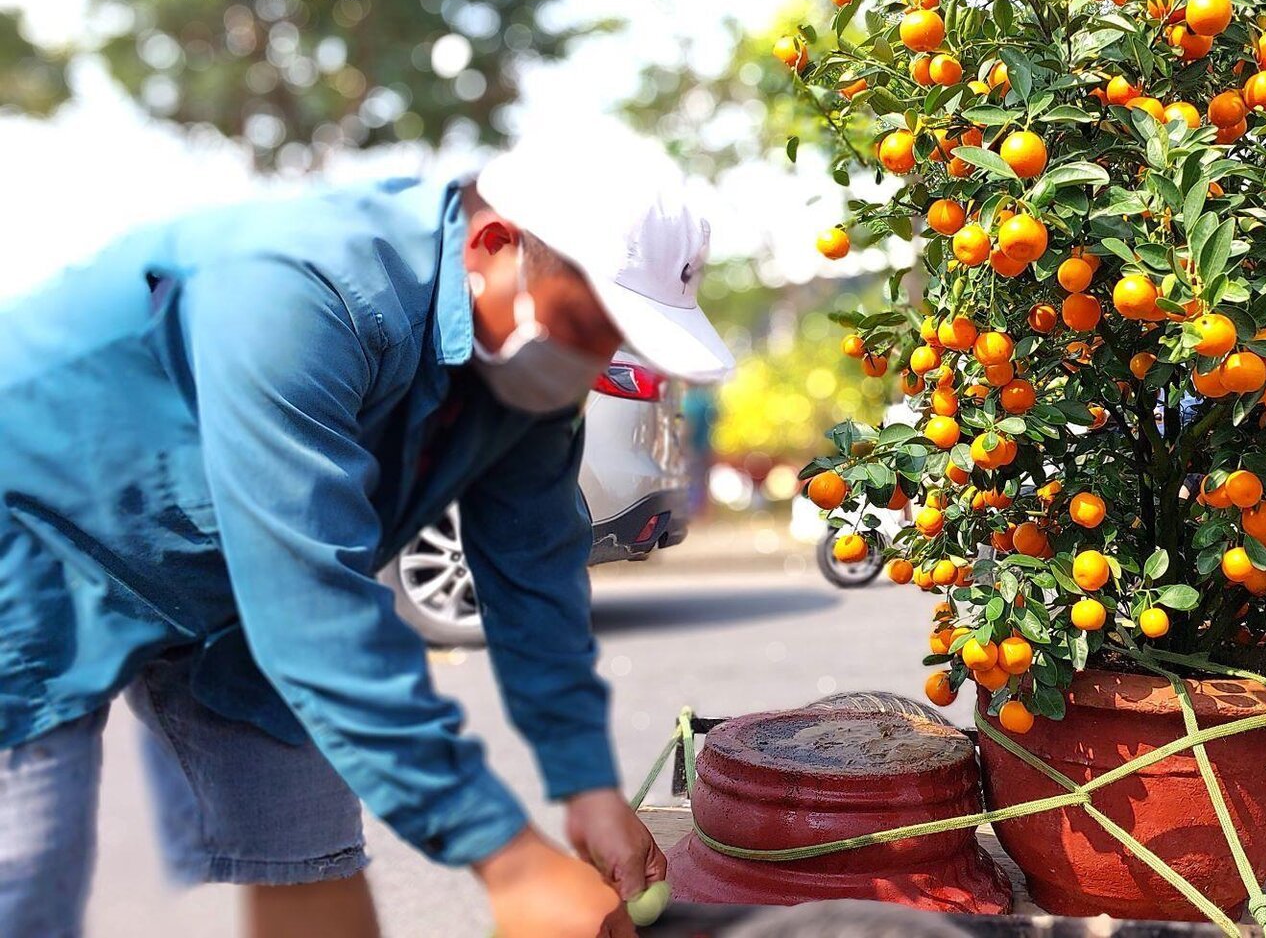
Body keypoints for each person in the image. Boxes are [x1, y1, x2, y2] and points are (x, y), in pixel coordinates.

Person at [0, 122, 733, 938]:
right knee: (25, 870)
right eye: (584, 326)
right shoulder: (300, 291)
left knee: (307, 844)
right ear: (493, 244)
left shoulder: (523, 373)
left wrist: (587, 786)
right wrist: (512, 860)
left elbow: (537, 577)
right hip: (37, 524)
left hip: (221, 583)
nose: (592, 362)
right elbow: (313, 614)